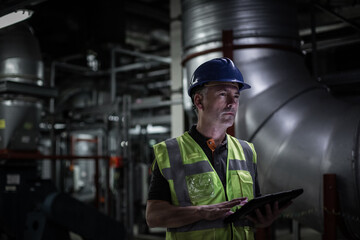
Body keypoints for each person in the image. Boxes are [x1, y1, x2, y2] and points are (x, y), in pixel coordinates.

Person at [146, 57, 289, 240]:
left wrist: (262, 220)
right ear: (199, 101)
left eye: (236, 96)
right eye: (223, 94)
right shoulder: (170, 153)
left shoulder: (246, 151)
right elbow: (153, 217)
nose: (232, 103)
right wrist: (200, 212)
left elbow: (250, 215)